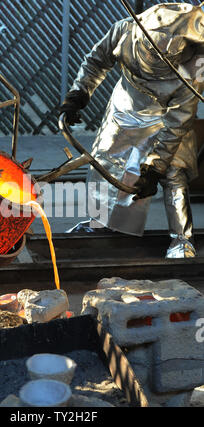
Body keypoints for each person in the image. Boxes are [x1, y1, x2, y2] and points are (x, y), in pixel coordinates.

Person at [60, 2, 204, 258]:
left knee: (173, 174)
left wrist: (154, 168)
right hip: (126, 107)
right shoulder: (125, 30)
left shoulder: (195, 67)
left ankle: (182, 239)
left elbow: (178, 122)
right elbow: (95, 61)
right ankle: (101, 224)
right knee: (105, 163)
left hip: (166, 118)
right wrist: (78, 94)